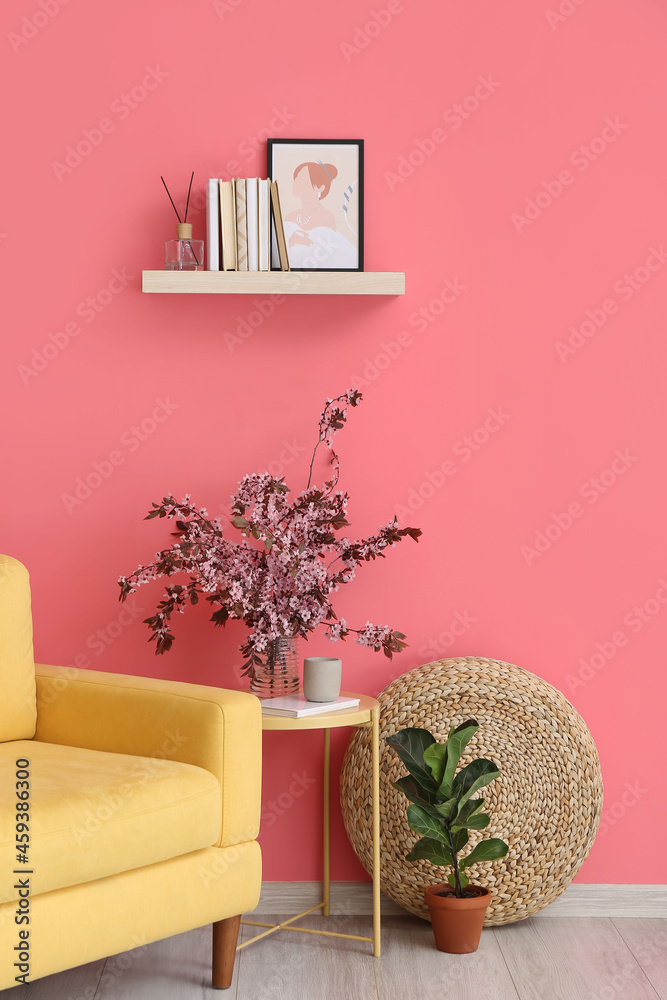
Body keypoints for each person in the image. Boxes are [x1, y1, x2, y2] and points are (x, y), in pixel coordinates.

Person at [282, 161, 357, 268]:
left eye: (302, 178)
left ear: (320, 187)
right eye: (297, 177)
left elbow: (326, 257)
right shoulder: (291, 216)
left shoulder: (327, 217)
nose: (296, 181)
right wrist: (292, 241)